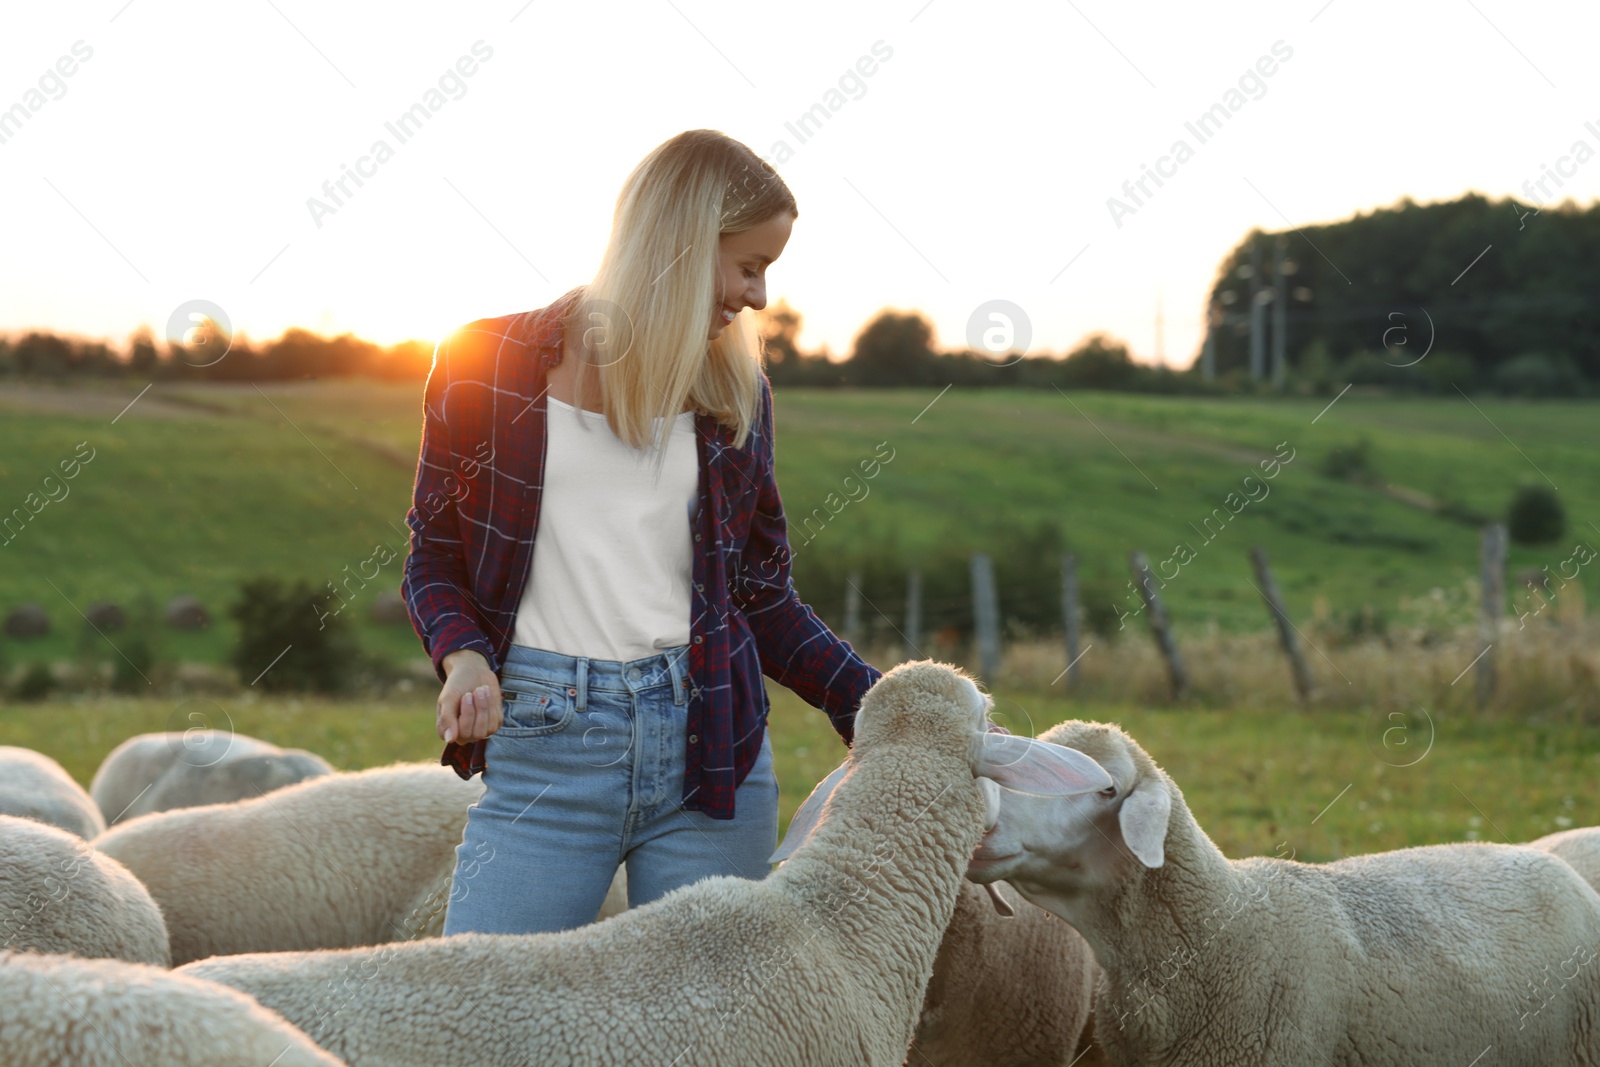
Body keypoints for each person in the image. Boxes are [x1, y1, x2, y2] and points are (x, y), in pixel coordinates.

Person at [399, 129, 884, 936]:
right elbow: (432, 555)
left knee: (706, 1034)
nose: (759, 297)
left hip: (712, 755)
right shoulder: (479, 364)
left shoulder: (739, 392)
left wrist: (886, 704)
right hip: (549, 746)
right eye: (749, 265)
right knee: (492, 1017)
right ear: (686, 245)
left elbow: (762, 596)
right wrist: (464, 652)